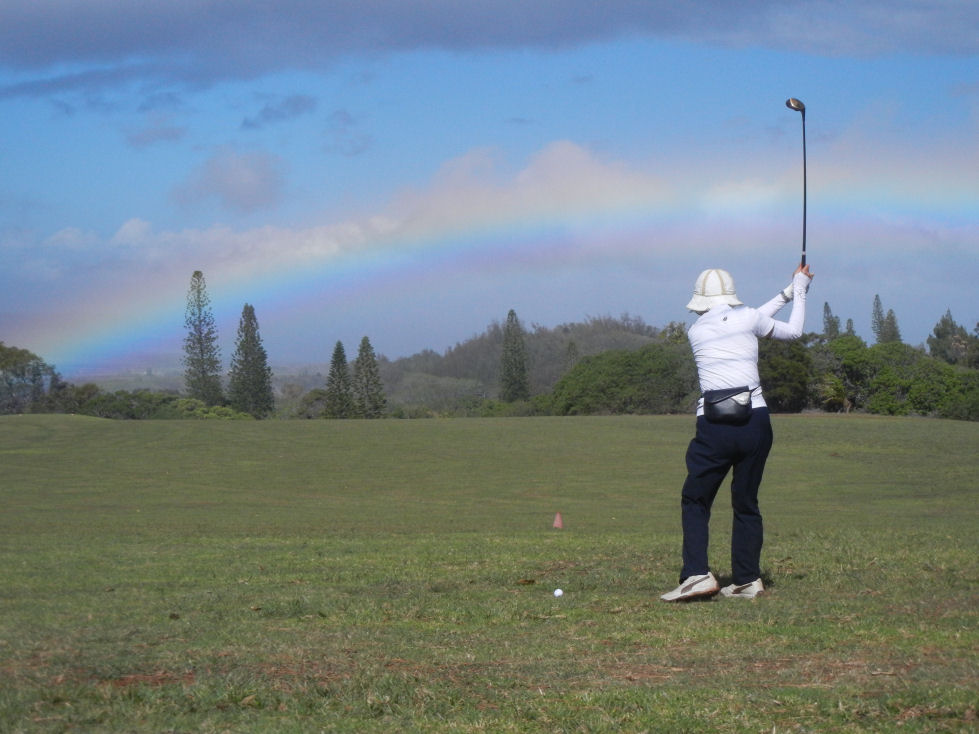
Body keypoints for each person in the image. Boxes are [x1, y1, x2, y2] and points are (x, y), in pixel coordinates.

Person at [660, 264, 813, 602]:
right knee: (745, 501)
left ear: (701, 300)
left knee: (696, 498)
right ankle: (747, 579)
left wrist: (789, 292)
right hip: (756, 422)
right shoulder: (747, 318)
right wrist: (799, 290)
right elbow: (790, 331)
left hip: (714, 427)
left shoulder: (697, 330)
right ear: (730, 295)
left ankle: (697, 575)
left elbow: (750, 318)